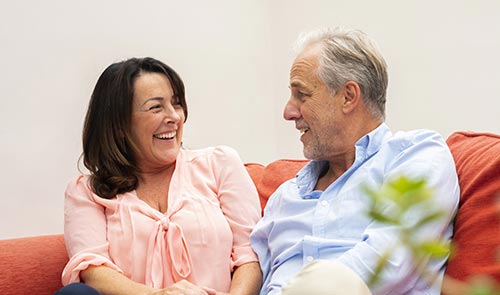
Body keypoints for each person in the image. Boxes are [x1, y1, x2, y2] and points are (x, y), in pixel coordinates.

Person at [250, 27, 459, 294]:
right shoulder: (284, 197)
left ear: (348, 96)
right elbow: (250, 273)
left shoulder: (415, 155)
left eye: (301, 95)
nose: (288, 112)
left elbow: (386, 262)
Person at [55, 57, 262, 295]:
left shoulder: (219, 164)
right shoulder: (87, 191)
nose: (174, 117)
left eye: (176, 104)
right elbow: (91, 270)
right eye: (156, 107)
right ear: (119, 124)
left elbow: (250, 256)